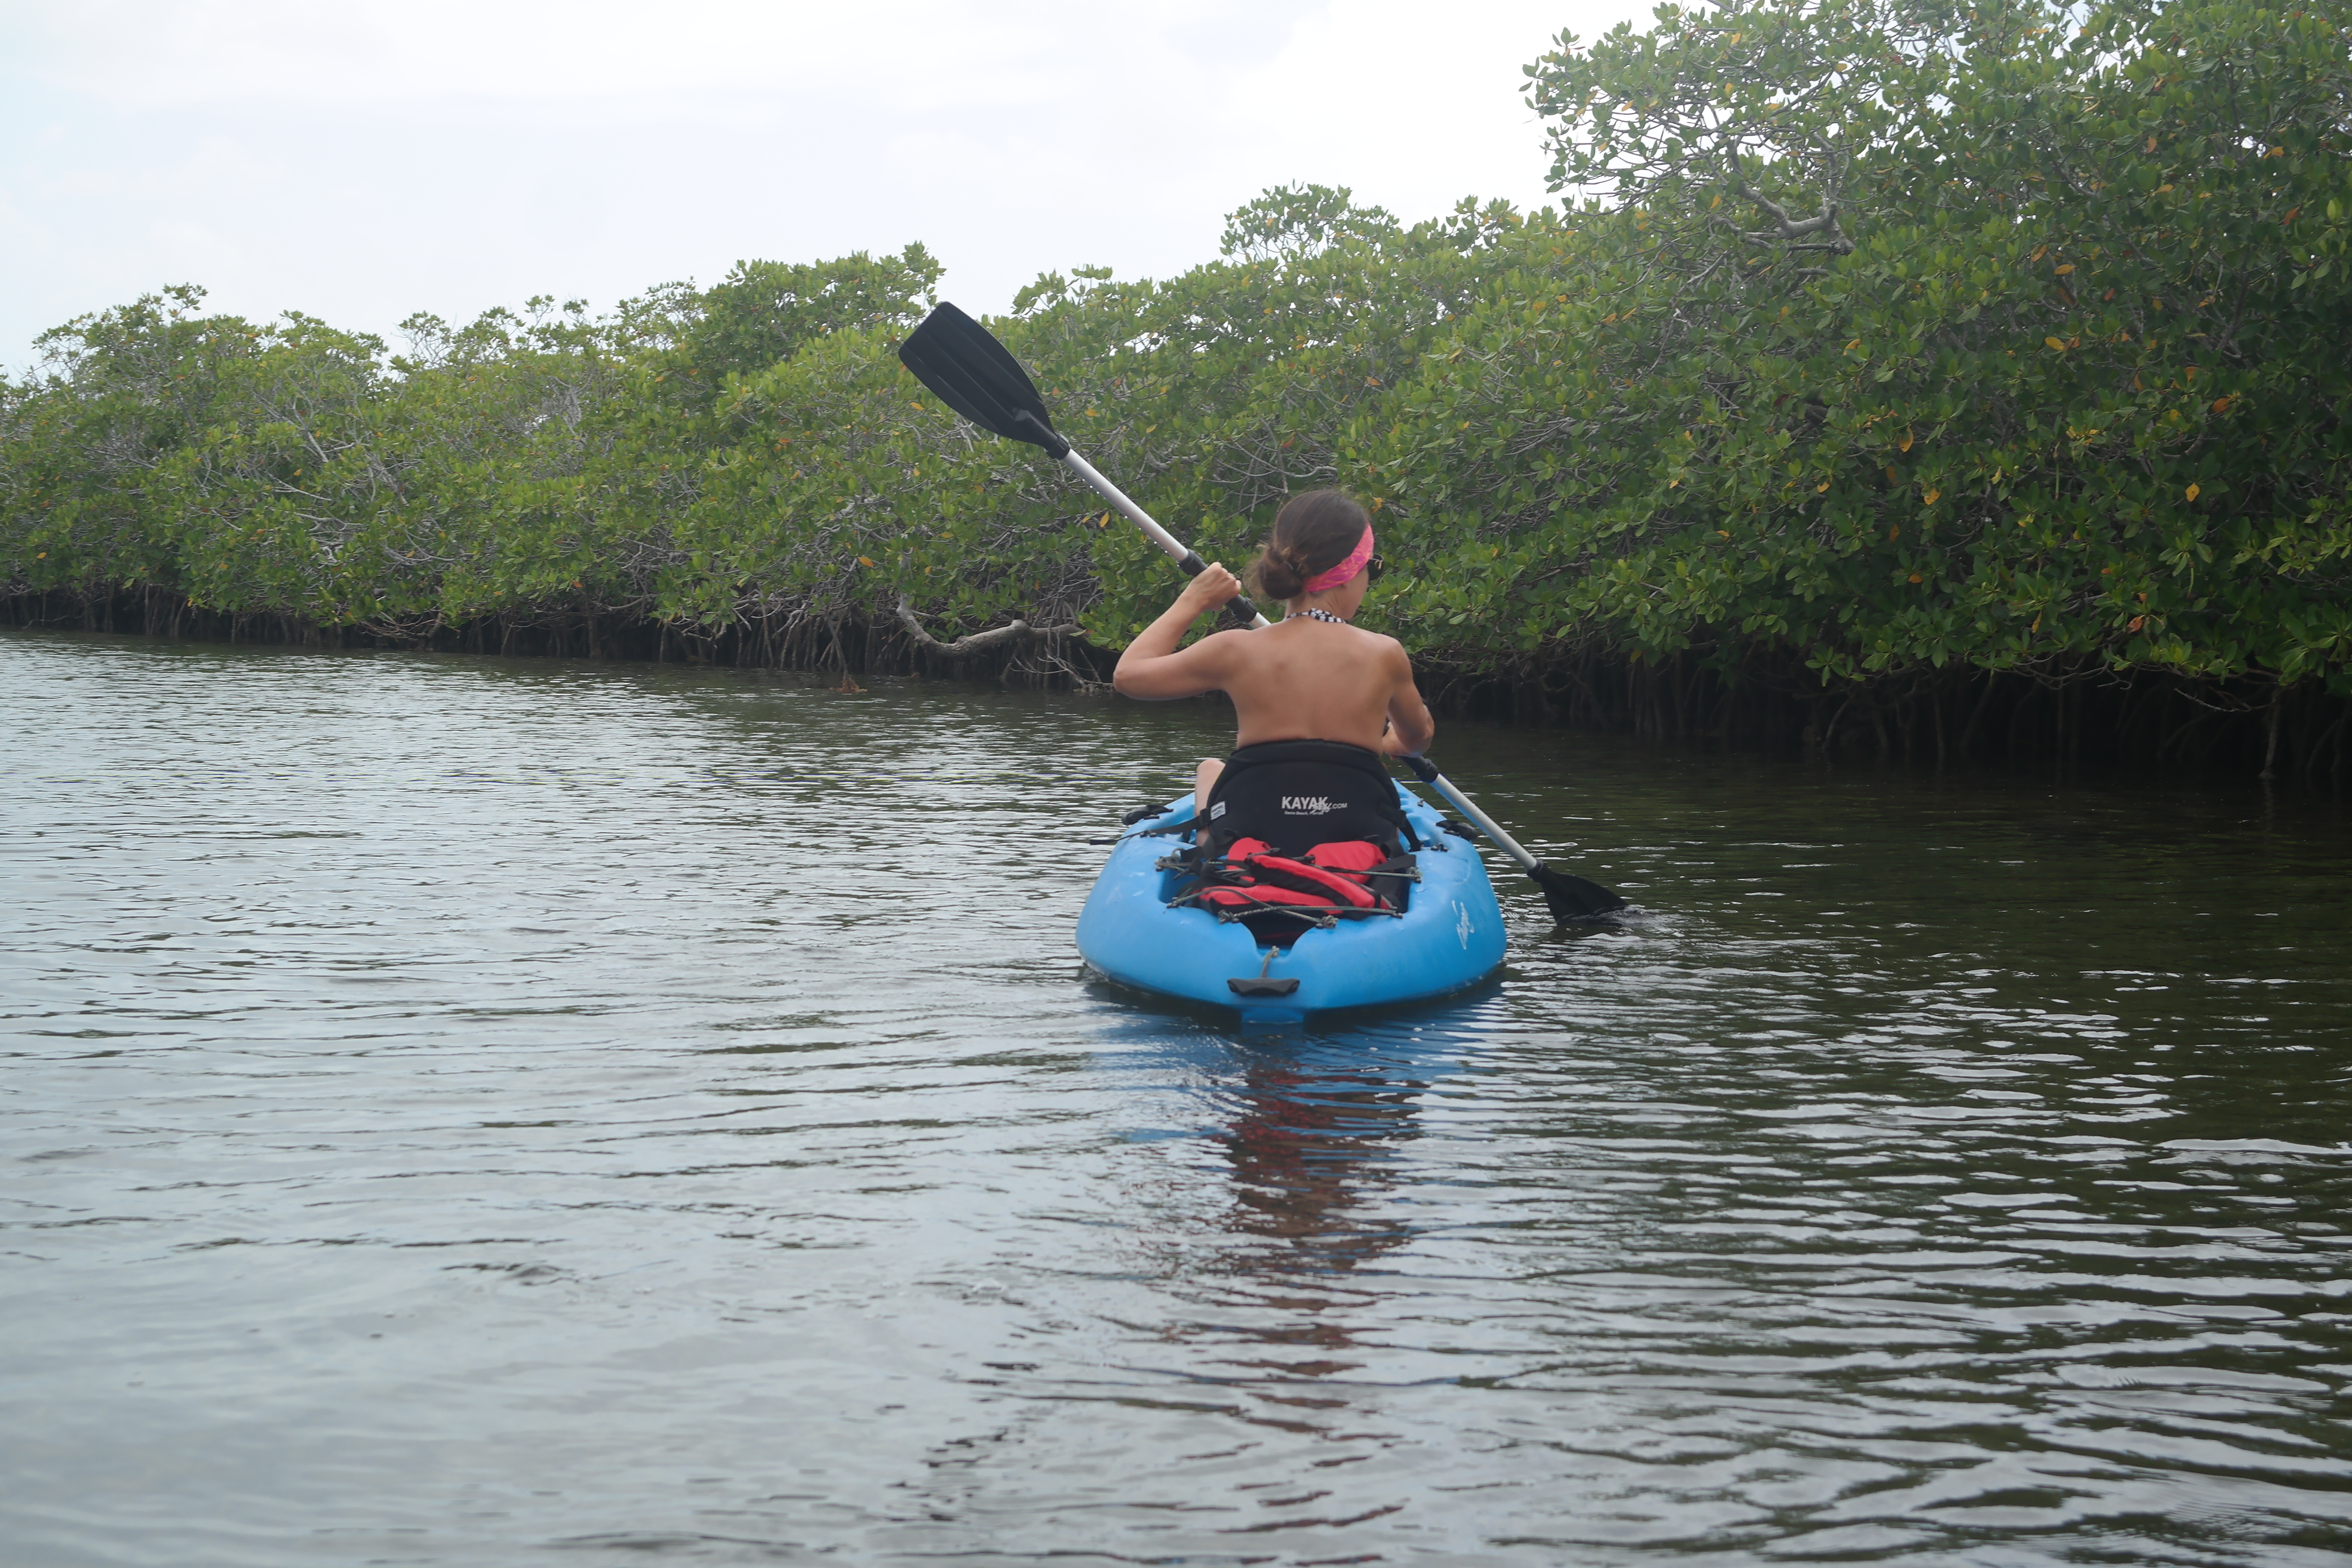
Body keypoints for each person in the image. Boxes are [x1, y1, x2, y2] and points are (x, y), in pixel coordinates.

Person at [1112, 490, 1435, 857]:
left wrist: (1194, 599)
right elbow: (1418, 738)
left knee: (1210, 768)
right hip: (1356, 832)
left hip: (1252, 832)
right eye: (1371, 568)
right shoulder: (1385, 654)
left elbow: (1129, 676)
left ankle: (1212, 843)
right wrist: (1387, 743)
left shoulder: (1235, 650)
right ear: (1348, 573)